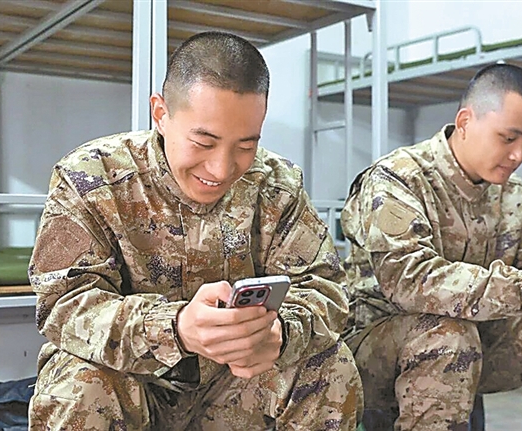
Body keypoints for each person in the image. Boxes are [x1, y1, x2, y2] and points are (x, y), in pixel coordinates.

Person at [28, 31, 363, 430]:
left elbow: (326, 289)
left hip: (234, 388)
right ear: (160, 114)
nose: (221, 169)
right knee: (78, 384)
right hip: (134, 383)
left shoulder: (278, 185)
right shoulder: (91, 178)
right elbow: (63, 305)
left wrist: (281, 333)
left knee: (329, 365)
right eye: (204, 142)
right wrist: (175, 328)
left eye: (245, 147)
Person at [340, 63, 522, 431]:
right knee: (448, 336)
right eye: (508, 138)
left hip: (470, 341)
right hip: (375, 351)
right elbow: (410, 281)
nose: (519, 154)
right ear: (465, 122)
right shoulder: (397, 178)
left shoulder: (509, 193)